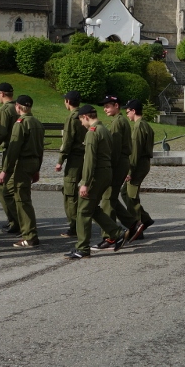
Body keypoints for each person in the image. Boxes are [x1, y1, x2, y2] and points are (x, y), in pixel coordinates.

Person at [64, 105, 128, 259]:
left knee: (83, 210)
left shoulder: (92, 132)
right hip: (106, 172)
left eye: (81, 120)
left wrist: (85, 182)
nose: (81, 123)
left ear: (86, 117)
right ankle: (117, 232)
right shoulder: (104, 129)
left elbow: (90, 160)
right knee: (92, 208)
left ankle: (82, 248)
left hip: (96, 174)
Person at [0, 95, 44, 248]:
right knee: (13, 193)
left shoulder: (20, 123)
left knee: (22, 200)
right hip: (33, 162)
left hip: (23, 163)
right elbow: (41, 149)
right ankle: (23, 227)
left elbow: (13, 149)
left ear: (18, 106)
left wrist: (5, 170)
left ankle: (29, 236)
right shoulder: (37, 123)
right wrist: (37, 168)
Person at [102, 95, 138, 234]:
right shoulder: (121, 120)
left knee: (108, 198)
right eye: (104, 107)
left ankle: (111, 233)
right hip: (122, 161)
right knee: (111, 197)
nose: (105, 109)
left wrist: (110, 167)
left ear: (116, 106)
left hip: (118, 162)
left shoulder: (118, 122)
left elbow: (115, 148)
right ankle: (132, 224)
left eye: (108, 106)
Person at [0, 82, 20, 235]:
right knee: (11, 187)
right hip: (20, 151)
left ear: (1, 93)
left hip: (10, 151)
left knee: (1, 184)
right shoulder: (19, 107)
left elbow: (0, 133)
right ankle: (17, 219)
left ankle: (15, 220)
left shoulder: (4, 110)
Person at [124, 99, 155, 242]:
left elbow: (135, 151)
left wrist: (130, 171)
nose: (127, 114)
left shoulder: (138, 127)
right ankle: (145, 219)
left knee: (132, 197)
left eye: (128, 111)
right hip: (143, 163)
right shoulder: (145, 125)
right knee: (125, 192)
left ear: (133, 111)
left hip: (138, 165)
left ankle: (137, 228)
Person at [55, 91, 85, 237]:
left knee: (70, 193)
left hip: (75, 159)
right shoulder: (84, 115)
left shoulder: (72, 118)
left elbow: (67, 141)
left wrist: (60, 160)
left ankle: (74, 226)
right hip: (86, 157)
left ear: (67, 101)